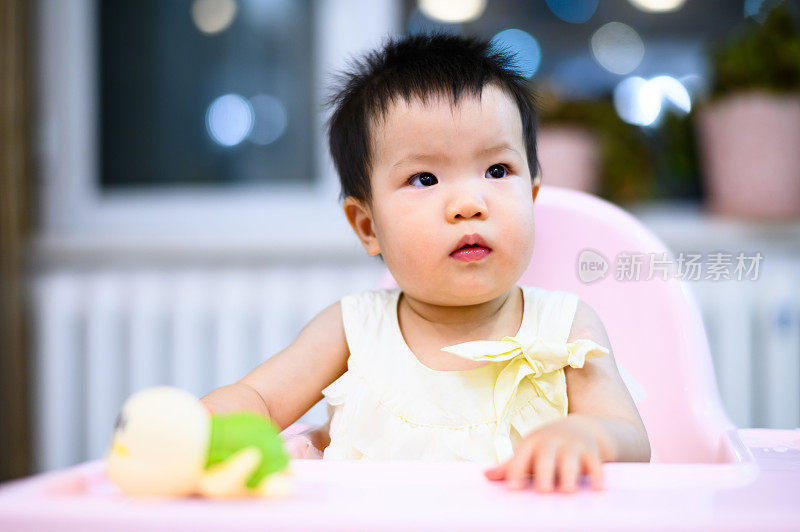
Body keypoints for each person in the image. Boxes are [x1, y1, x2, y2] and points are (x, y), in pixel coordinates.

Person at [201, 32, 650, 493]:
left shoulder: (565, 327)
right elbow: (258, 398)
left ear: (532, 197)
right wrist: (190, 427)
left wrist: (589, 435)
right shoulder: (351, 328)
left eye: (497, 171)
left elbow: (634, 439)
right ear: (368, 227)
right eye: (425, 178)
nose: (468, 204)